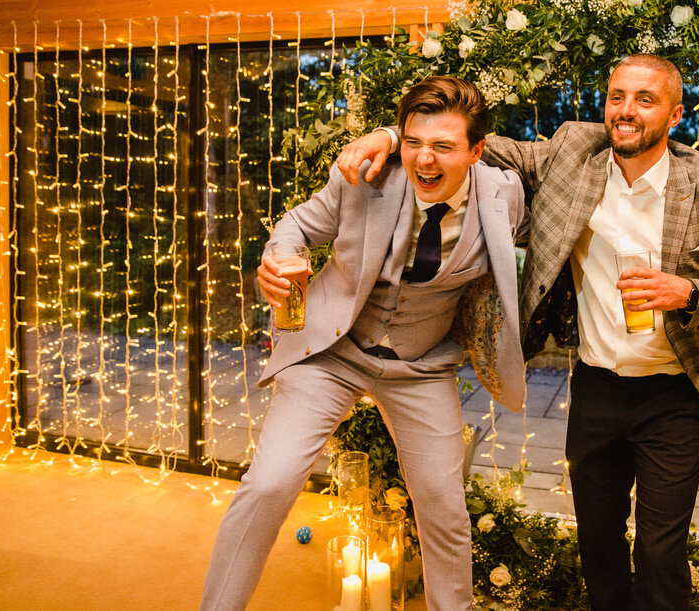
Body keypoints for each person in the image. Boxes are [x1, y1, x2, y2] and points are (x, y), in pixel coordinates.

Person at [336, 54, 699, 610]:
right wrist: (390, 134)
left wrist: (687, 294)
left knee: (661, 551)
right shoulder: (573, 151)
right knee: (598, 540)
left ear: (676, 114)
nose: (626, 111)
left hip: (674, 392)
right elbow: (470, 142)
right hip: (595, 387)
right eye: (617, 96)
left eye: (645, 99)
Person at [200, 76, 527, 611]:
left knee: (444, 508)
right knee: (269, 483)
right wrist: (277, 263)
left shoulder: (504, 196)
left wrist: (392, 135)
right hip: (333, 353)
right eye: (414, 141)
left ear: (476, 152)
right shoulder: (365, 176)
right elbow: (295, 227)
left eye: (444, 146)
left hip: (420, 366)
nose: (425, 159)